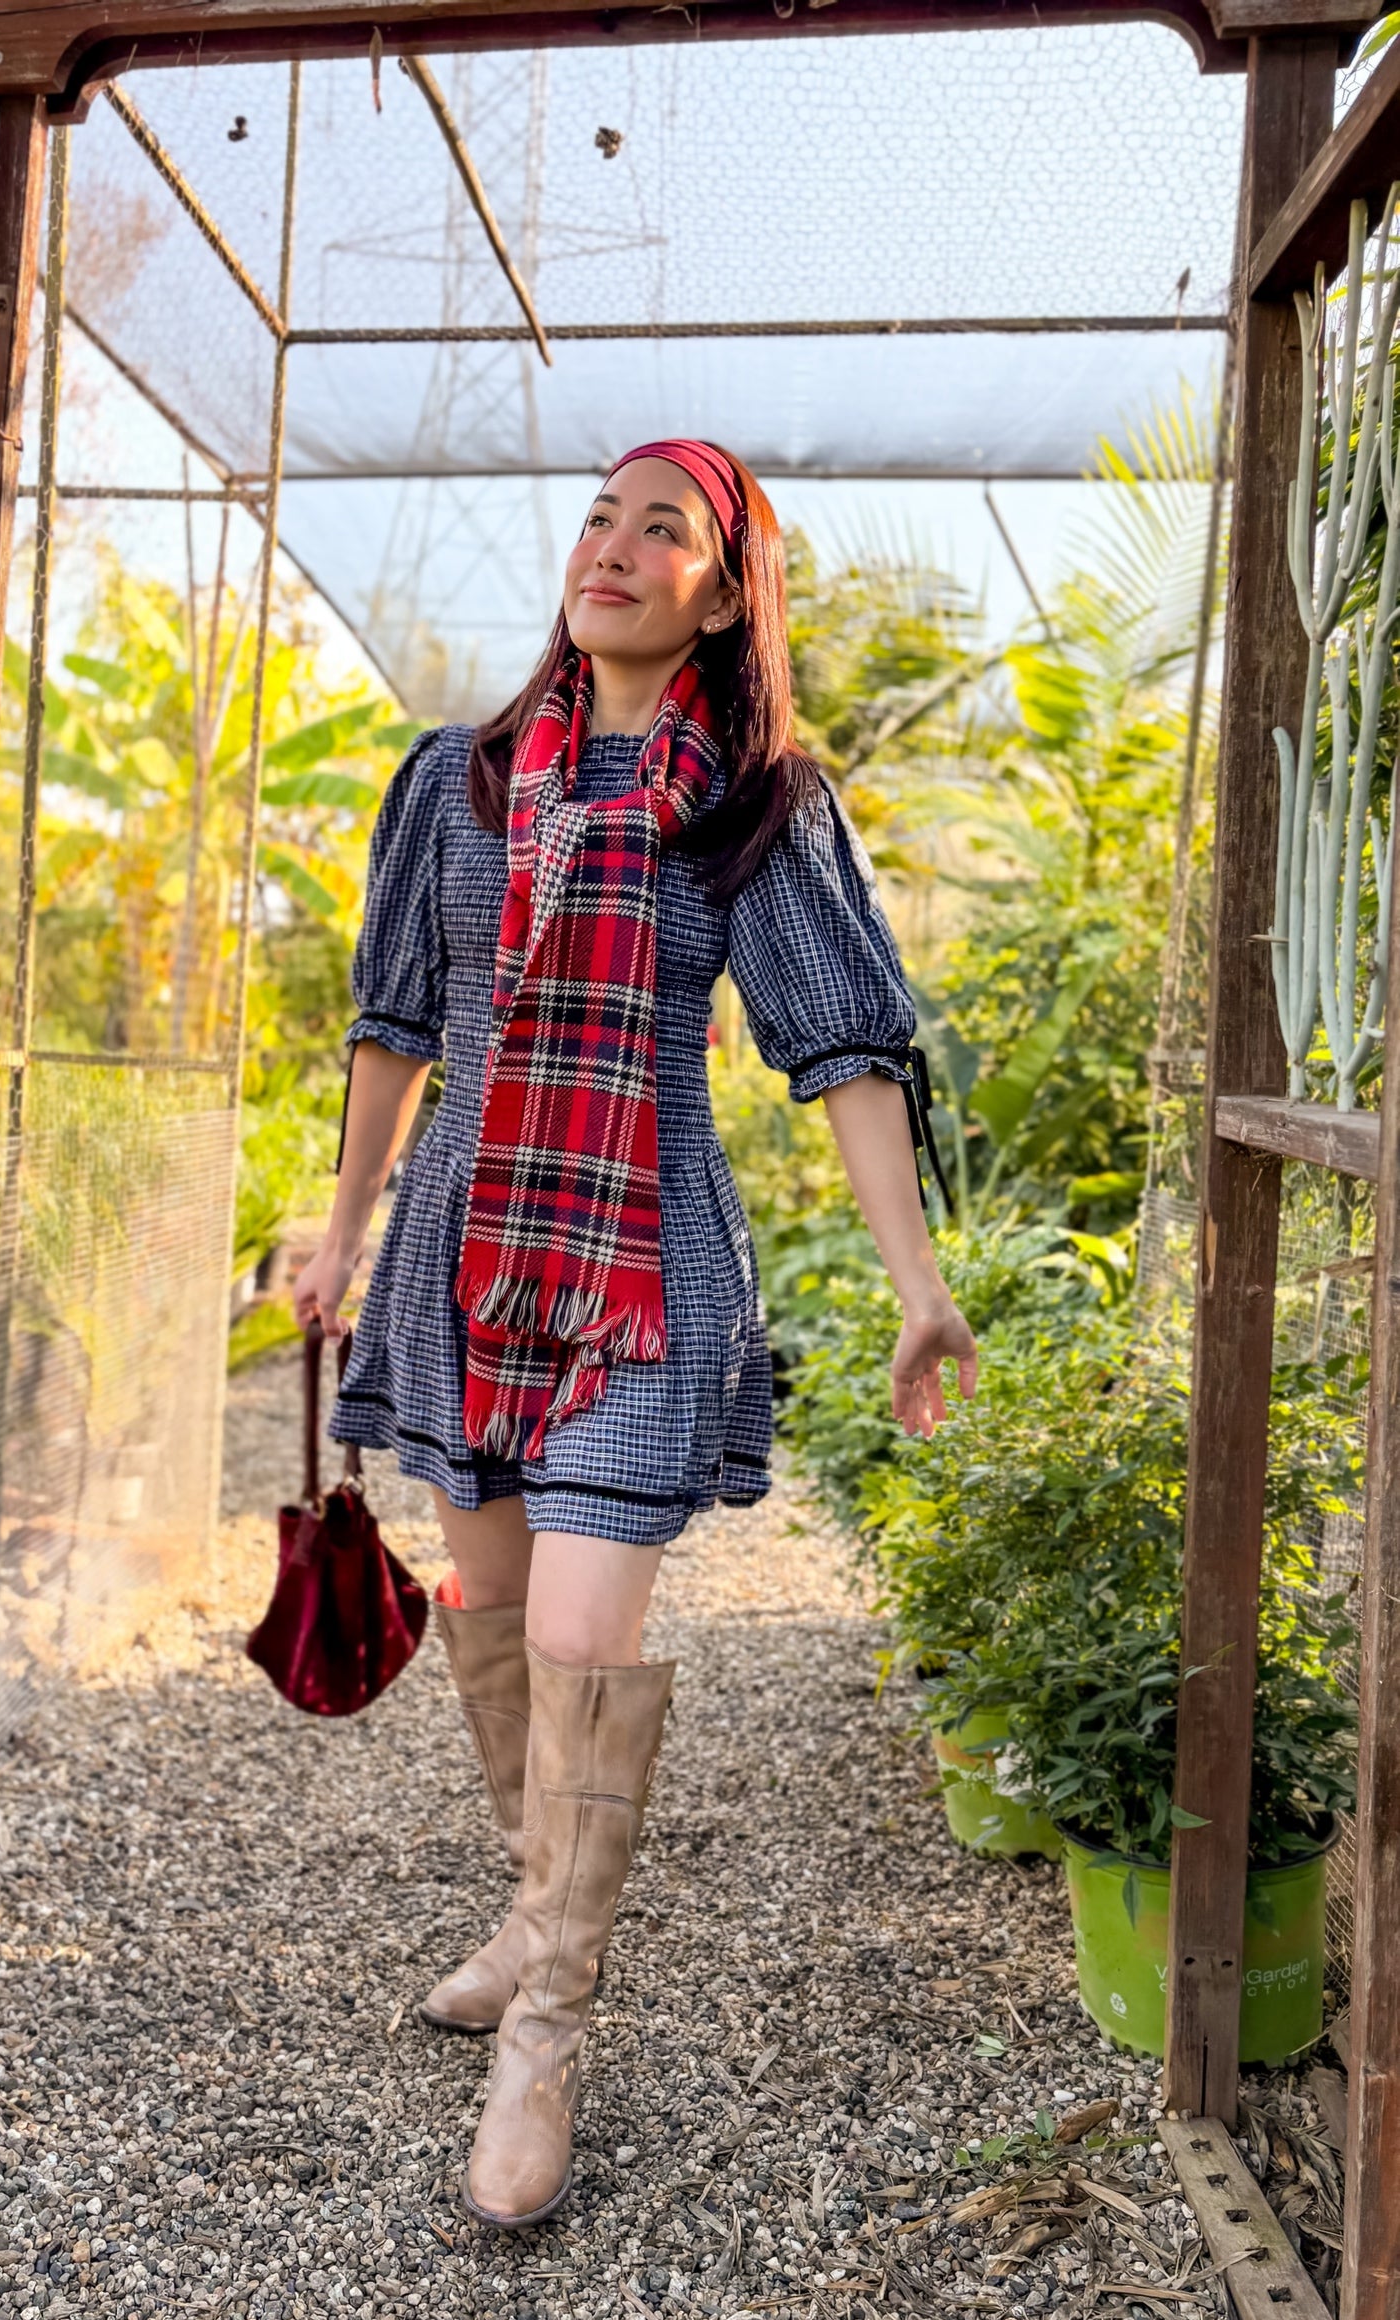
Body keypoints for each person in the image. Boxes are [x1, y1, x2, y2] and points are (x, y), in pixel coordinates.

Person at [293, 438, 977, 2229]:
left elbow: (844, 1052)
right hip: (466, 1249)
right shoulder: (454, 781)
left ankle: (548, 2036)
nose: (610, 546)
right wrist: (343, 1229)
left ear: (723, 591)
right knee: (497, 1612)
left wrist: (918, 1286)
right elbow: (395, 1026)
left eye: (659, 529)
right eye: (599, 516)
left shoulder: (757, 807)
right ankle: (531, 1918)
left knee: (587, 1634)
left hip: (644, 1265)